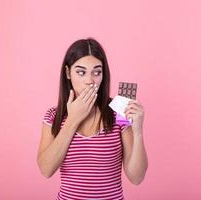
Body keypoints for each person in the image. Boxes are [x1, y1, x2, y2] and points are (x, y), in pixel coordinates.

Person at [37, 38, 148, 200]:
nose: (90, 81)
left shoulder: (119, 110)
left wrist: (138, 131)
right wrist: (73, 120)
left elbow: (136, 178)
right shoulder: (54, 116)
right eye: (81, 72)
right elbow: (46, 170)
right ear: (68, 73)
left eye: (97, 72)